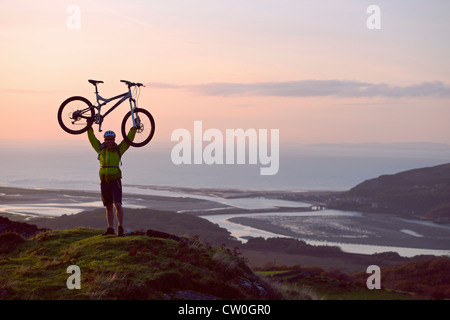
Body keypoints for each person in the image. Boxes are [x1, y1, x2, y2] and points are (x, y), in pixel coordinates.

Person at [87, 127, 136, 236]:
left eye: (111, 139)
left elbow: (128, 140)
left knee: (117, 205)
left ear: (114, 140)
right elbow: (92, 139)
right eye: (107, 139)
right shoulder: (100, 149)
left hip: (115, 181)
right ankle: (110, 228)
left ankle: (120, 227)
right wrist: (88, 127)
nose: (109, 141)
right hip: (104, 181)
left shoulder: (119, 149)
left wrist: (133, 129)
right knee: (108, 206)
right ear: (104, 140)